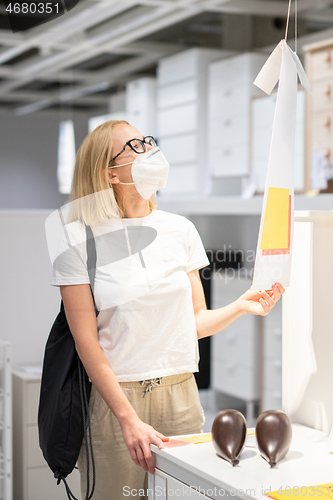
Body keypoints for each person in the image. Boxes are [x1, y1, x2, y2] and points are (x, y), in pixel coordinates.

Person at [51, 120, 285, 500]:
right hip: (116, 403)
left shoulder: (180, 230)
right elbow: (86, 343)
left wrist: (240, 307)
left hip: (181, 397)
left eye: (147, 141)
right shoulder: (78, 240)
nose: (149, 150)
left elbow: (193, 323)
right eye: (133, 146)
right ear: (109, 172)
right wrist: (128, 419)